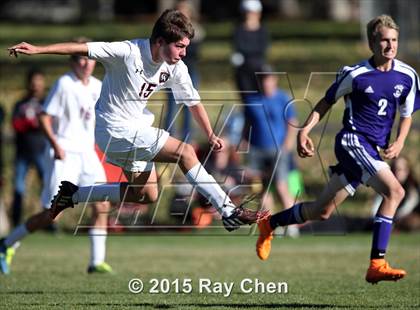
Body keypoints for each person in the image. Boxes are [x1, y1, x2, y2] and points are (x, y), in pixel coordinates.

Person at [6, 10, 267, 238]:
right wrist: (39, 49)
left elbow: (193, 102)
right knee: (184, 152)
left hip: (135, 130)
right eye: (180, 46)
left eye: (186, 46)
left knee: (145, 195)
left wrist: (210, 133)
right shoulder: (128, 52)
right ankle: (228, 211)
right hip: (112, 130)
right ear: (160, 41)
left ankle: (73, 195)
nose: (184, 53)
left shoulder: (176, 66)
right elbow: (81, 49)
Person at [255, 15, 418, 284]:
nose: (389, 46)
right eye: (383, 40)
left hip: (371, 150)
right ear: (371, 43)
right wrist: (305, 131)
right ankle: (377, 263)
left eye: (394, 40)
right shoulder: (355, 74)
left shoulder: (408, 75)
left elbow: (407, 113)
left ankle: (269, 224)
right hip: (352, 142)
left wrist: (399, 141)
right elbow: (325, 102)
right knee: (395, 191)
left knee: (322, 211)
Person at [0, 38, 113, 275]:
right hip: (65, 154)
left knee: (102, 204)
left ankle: (97, 261)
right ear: (73, 62)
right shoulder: (64, 84)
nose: (86, 63)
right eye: (81, 59)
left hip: (87, 154)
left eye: (90, 59)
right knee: (52, 214)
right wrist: (56, 145)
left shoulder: (98, 85)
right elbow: (44, 117)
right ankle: (7, 244)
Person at [244, 66, 299, 237]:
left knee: (282, 186)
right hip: (257, 150)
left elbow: (292, 123)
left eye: (269, 78)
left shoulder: (283, 98)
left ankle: (292, 226)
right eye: (263, 79)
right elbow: (247, 126)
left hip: (278, 150)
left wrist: (287, 146)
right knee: (263, 190)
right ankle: (269, 225)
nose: (266, 82)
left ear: (274, 79)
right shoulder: (252, 101)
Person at [164, 0, 204, 142]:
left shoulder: (197, 30)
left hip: (190, 71)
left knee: (190, 105)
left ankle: (187, 138)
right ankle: (168, 139)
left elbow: (195, 53)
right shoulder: (169, 32)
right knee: (171, 106)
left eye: (185, 11)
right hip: (171, 71)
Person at [11, 68, 47, 227]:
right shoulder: (20, 103)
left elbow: (51, 123)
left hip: (42, 151)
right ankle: (16, 223)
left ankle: (50, 222)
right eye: (33, 82)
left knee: (49, 188)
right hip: (23, 153)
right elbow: (16, 124)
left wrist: (36, 124)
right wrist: (33, 123)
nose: (35, 85)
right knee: (19, 188)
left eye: (38, 82)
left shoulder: (47, 102)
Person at [232, 0, 269, 101]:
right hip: (244, 72)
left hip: (259, 70)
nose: (249, 16)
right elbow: (239, 47)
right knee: (247, 101)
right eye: (247, 13)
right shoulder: (239, 30)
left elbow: (262, 48)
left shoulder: (262, 31)